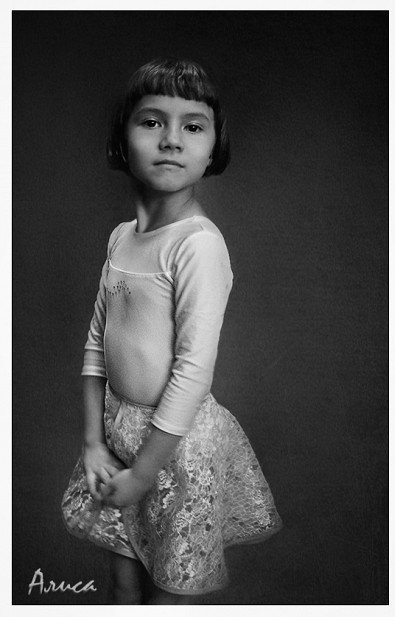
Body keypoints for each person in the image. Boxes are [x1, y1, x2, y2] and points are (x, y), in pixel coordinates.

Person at [62, 58, 282, 605]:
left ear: (213, 148)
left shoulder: (197, 245)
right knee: (122, 582)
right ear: (123, 139)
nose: (171, 140)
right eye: (152, 121)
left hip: (175, 447)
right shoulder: (122, 237)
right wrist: (93, 442)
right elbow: (96, 346)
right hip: (119, 434)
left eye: (193, 126)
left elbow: (192, 372)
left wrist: (143, 474)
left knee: (167, 592)